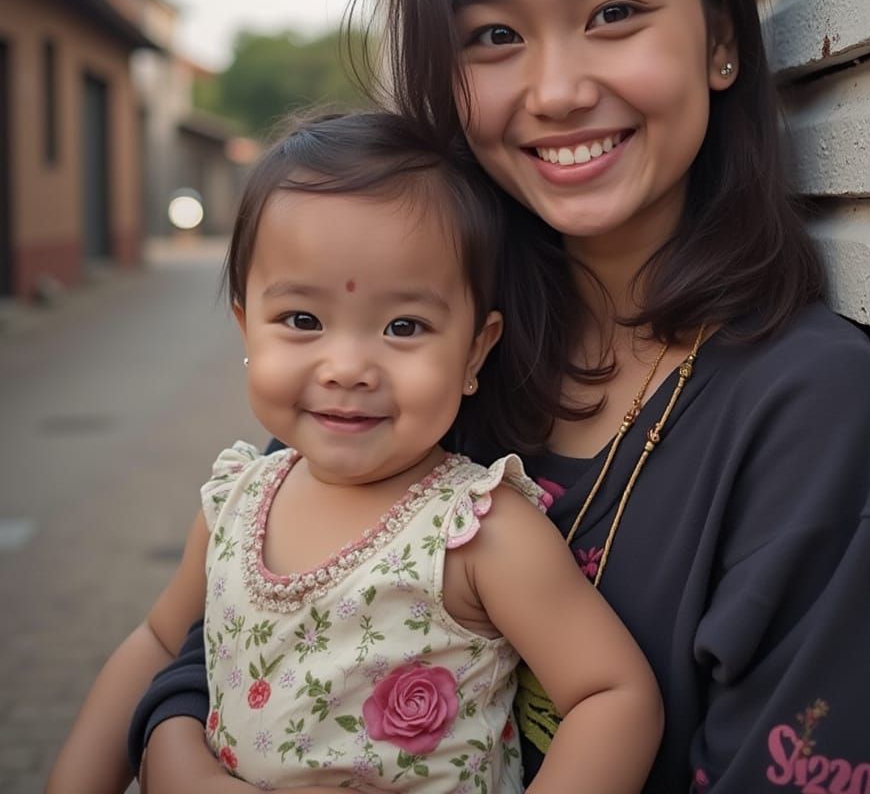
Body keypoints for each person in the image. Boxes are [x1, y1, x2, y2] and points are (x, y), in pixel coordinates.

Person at [133, 0, 870, 792]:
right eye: (495, 36)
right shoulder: (422, 335)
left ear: (722, 37)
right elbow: (217, 619)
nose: (555, 90)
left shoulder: (804, 408)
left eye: (614, 11)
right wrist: (177, 762)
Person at [47, 112, 663, 794]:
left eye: (404, 326)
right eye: (302, 321)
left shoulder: (475, 531)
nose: (346, 367)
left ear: (475, 350)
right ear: (247, 326)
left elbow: (613, 695)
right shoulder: (235, 504)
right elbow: (160, 645)